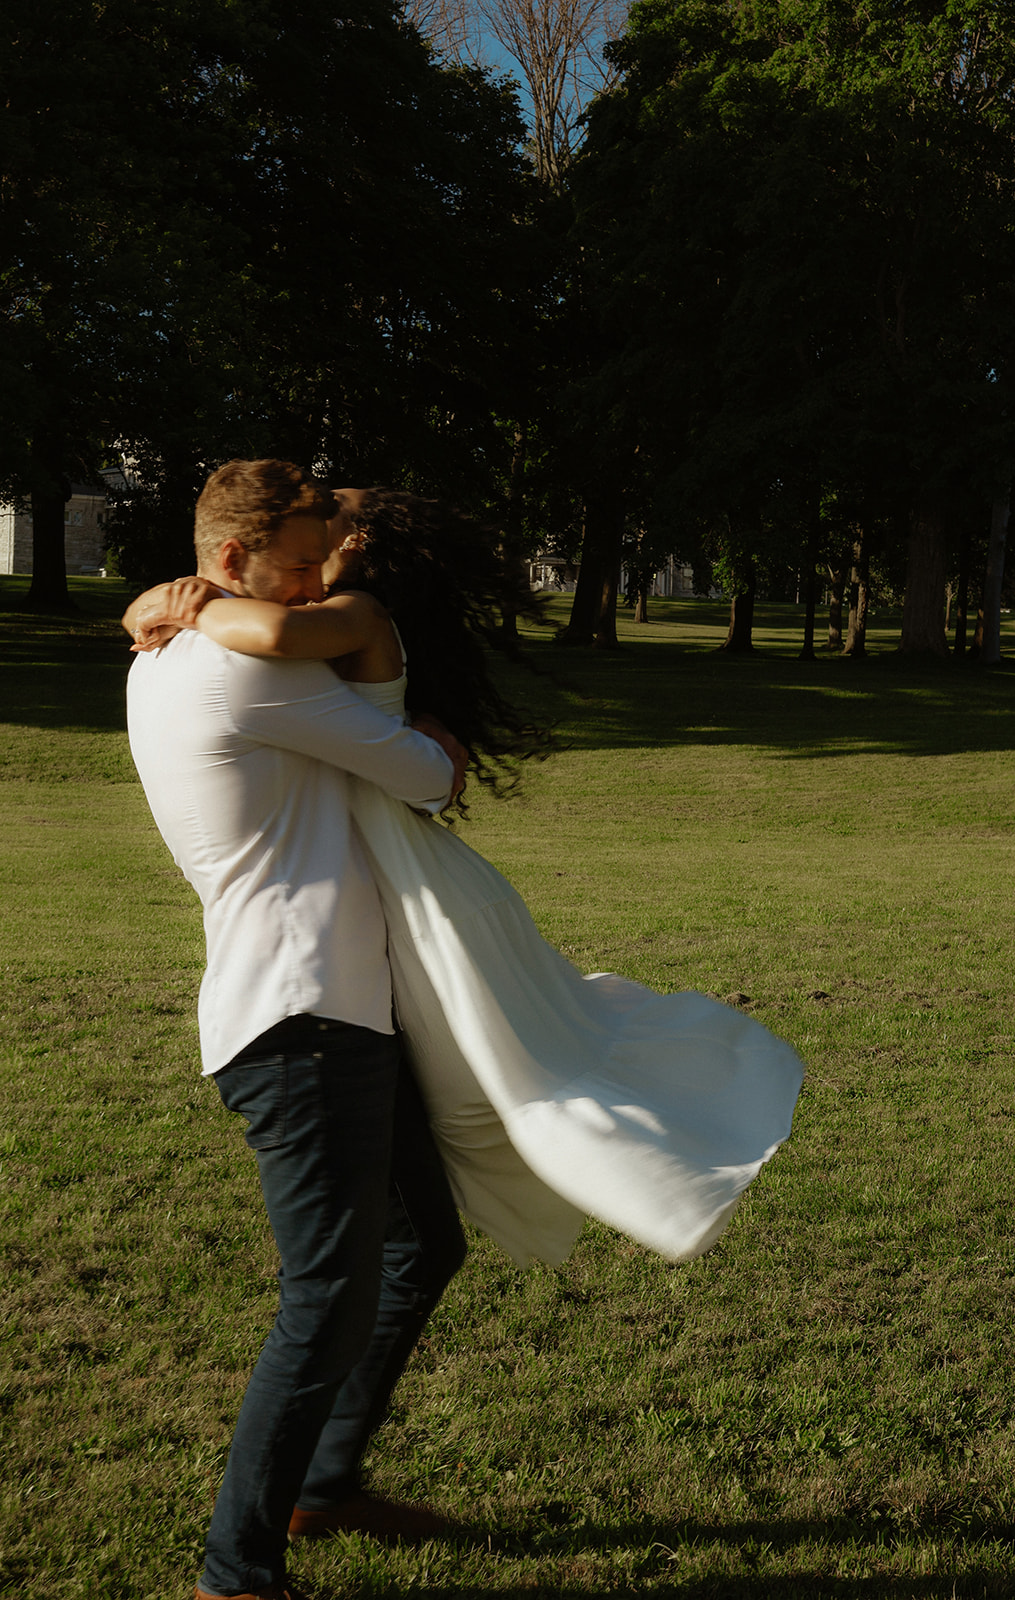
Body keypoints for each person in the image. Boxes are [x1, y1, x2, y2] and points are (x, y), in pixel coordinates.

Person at [128, 487, 804, 1276]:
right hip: (325, 945)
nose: (313, 570)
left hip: (358, 878)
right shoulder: (267, 651)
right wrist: (182, 599)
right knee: (393, 1244)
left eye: (325, 545)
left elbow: (309, 662)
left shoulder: (327, 620)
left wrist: (193, 602)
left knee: (405, 1243)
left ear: (354, 550)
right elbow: (397, 755)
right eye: (302, 556)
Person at [125, 462, 472, 1600]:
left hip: (330, 1011)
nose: (320, 579)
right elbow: (425, 776)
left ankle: (324, 1484)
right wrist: (430, 738)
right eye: (299, 558)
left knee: (422, 1239)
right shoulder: (240, 669)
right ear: (231, 563)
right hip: (299, 1020)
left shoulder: (176, 651)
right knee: (326, 1296)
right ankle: (237, 1572)